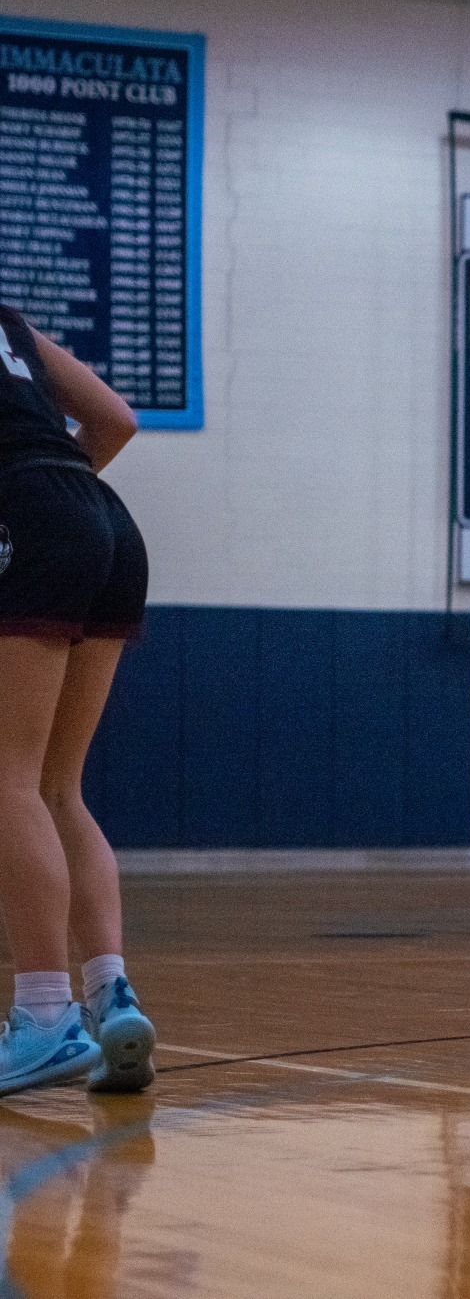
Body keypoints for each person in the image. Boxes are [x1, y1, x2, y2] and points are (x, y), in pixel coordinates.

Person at [0, 302, 159, 1099]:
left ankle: (43, 1014)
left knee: (8, 778)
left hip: (29, 513)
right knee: (59, 786)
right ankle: (110, 995)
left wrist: (34, 516)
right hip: (105, 519)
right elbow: (116, 419)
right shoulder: (8, 322)